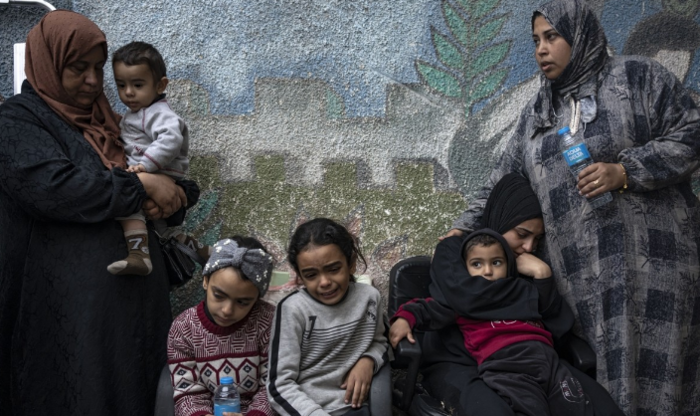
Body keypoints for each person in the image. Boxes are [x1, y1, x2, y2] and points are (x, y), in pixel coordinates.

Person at [448, 1, 700, 414]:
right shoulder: (537, 114)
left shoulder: (638, 78)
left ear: (579, 35)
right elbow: (502, 180)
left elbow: (693, 132)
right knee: (594, 382)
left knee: (663, 378)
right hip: (579, 285)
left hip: (656, 269)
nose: (541, 50)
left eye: (552, 37)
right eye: (535, 41)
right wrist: (463, 230)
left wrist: (626, 170)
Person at [0, 10, 197, 416]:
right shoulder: (18, 121)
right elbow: (53, 189)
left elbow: (160, 170)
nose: (93, 81)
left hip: (134, 309)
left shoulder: (108, 120)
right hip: (68, 312)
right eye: (77, 68)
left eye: (97, 68)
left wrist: (175, 193)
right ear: (49, 64)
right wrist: (141, 186)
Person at [390, 229, 592, 416]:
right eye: (477, 264)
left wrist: (542, 274)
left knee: (577, 406)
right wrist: (404, 318)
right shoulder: (464, 301)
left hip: (548, 362)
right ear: (465, 267)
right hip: (508, 365)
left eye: (496, 262)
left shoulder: (521, 290)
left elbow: (549, 309)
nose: (487, 271)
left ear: (508, 264)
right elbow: (427, 308)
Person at [107, 41, 209, 276]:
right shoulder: (137, 113)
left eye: (138, 84)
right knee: (161, 228)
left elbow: (170, 140)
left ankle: (139, 256)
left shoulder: (157, 113)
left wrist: (145, 166)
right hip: (153, 173)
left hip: (156, 172)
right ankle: (196, 248)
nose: (128, 92)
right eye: (121, 85)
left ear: (161, 84)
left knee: (128, 210)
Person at [267, 218, 388, 416]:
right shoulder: (293, 309)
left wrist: (368, 360)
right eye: (311, 275)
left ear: (351, 264)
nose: (324, 282)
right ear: (300, 276)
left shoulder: (370, 298)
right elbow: (279, 385)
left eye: (333, 269)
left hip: (355, 408)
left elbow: (381, 341)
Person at [168, 236, 276, 416]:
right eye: (218, 295)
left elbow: (273, 386)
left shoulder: (268, 322)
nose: (227, 310)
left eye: (242, 302)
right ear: (205, 281)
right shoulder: (183, 329)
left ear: (257, 298)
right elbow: (187, 392)